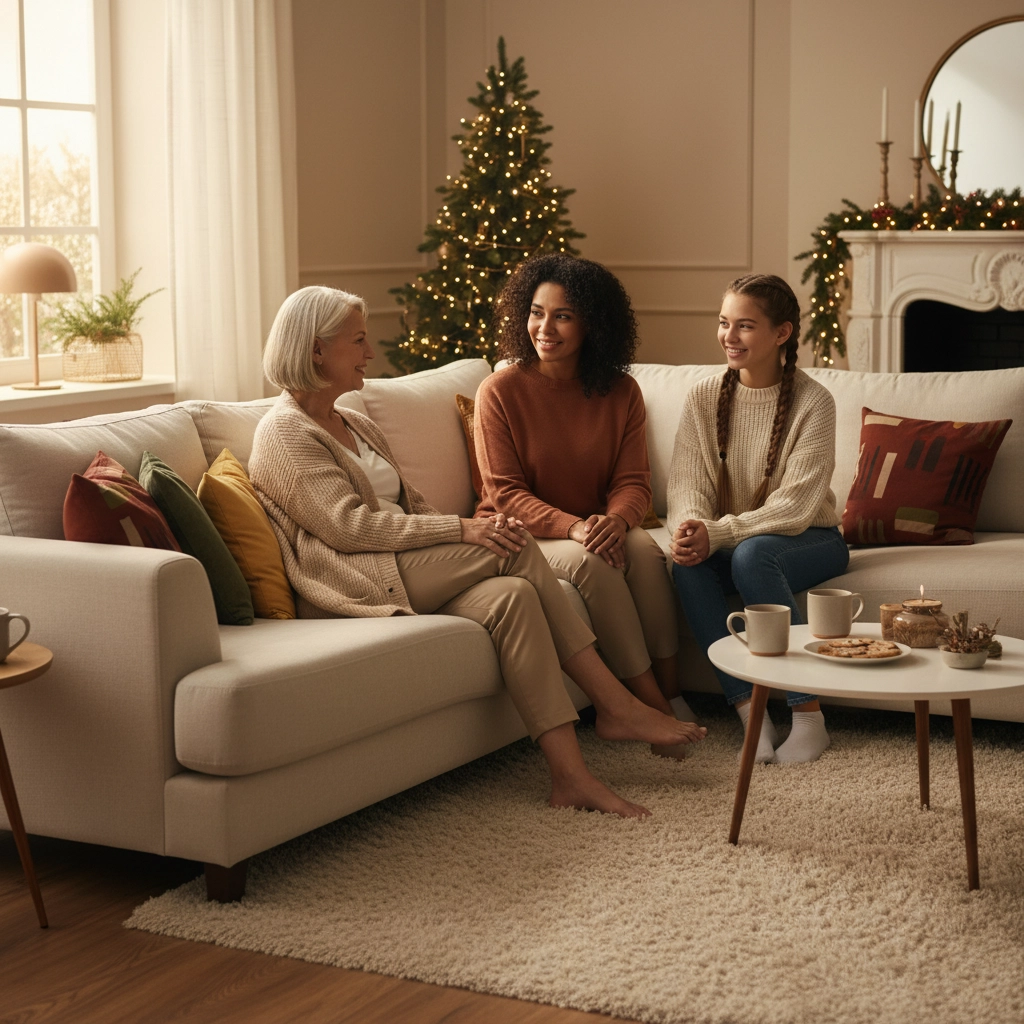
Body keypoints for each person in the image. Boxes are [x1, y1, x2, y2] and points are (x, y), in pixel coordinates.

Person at [249, 285, 705, 819]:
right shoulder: (283, 433)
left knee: (512, 597)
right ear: (316, 350)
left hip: (403, 563)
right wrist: (462, 530)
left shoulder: (355, 421)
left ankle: (571, 777)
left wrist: (450, 530)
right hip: (359, 576)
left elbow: (409, 503)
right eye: (358, 341)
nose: (370, 353)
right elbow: (349, 529)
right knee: (512, 546)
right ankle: (616, 703)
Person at [473, 254, 690, 757]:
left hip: (594, 525)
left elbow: (634, 480)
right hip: (521, 534)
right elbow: (503, 492)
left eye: (562, 315)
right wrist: (575, 528)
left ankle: (673, 690)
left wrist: (617, 519)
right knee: (593, 560)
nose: (543, 328)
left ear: (593, 322)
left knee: (641, 550)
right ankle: (649, 706)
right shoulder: (499, 391)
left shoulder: (621, 391)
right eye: (535, 312)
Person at [667, 273, 848, 764]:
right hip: (740, 537)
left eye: (744, 326)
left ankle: (809, 717)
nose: (729, 336)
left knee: (751, 557)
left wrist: (720, 531)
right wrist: (690, 529)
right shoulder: (704, 398)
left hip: (811, 536)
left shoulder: (815, 402)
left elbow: (795, 506)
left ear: (782, 333)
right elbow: (687, 484)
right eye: (724, 323)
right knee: (683, 562)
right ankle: (750, 710)